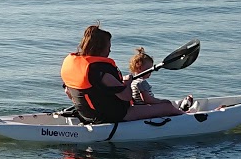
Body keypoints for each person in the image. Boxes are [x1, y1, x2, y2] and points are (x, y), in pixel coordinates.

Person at [61, 24, 192, 123]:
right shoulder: (102, 72)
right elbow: (126, 96)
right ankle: (189, 118)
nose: (110, 50)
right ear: (100, 48)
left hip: (86, 114)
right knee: (167, 107)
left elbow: (68, 92)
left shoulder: (74, 65)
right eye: (108, 47)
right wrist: (127, 83)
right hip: (114, 116)